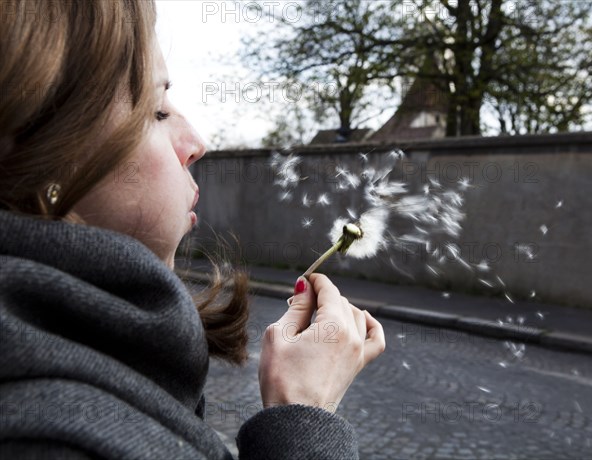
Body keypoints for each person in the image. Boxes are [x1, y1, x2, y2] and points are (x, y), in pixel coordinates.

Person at [0, 1, 386, 458]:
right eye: (156, 111)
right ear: (45, 157)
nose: (196, 143)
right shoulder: (55, 440)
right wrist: (303, 413)